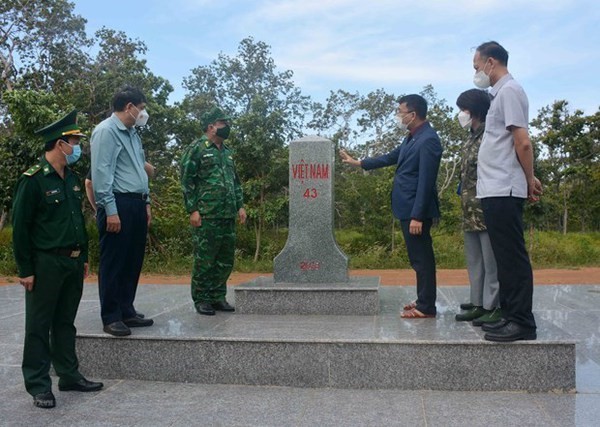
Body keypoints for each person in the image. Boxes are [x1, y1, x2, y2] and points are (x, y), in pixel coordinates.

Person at [12, 110, 103, 409]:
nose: (77, 147)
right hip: (46, 263)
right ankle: (39, 384)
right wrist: (26, 269)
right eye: (74, 141)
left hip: (73, 262)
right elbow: (21, 228)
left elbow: (78, 220)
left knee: (65, 322)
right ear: (59, 143)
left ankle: (69, 375)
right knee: (39, 325)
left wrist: (85, 256)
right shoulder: (34, 180)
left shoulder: (72, 179)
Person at [340, 94, 443, 318]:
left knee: (422, 258)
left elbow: (426, 181)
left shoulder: (428, 139)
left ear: (413, 114)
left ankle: (426, 307)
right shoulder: (412, 137)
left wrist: (418, 215)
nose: (398, 116)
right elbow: (391, 157)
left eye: (400, 112)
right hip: (407, 208)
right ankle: (423, 298)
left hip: (416, 211)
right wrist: (359, 163)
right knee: (418, 258)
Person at [472, 41, 542, 342]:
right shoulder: (497, 94)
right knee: (503, 257)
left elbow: (522, 142)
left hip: (505, 187)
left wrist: (529, 179)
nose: (476, 73)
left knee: (512, 257)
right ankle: (510, 314)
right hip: (493, 188)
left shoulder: (510, 91)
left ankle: (523, 322)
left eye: (476, 67)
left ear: (491, 62)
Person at [90, 86, 154, 336]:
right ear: (129, 107)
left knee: (132, 260)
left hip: (136, 202)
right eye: (142, 108)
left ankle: (127, 309)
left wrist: (146, 202)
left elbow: (139, 170)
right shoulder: (106, 131)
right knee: (114, 261)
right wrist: (110, 210)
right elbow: (101, 174)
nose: (142, 113)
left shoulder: (132, 133)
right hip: (117, 203)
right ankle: (111, 316)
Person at [180, 106, 246, 315]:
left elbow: (234, 182)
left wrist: (240, 205)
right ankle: (202, 298)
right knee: (205, 259)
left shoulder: (227, 152)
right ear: (211, 127)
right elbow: (187, 180)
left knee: (225, 259)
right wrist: (193, 209)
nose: (227, 127)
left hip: (227, 213)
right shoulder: (197, 148)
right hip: (207, 213)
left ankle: (218, 296)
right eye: (223, 124)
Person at [453, 89, 501, 325]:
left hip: (486, 207)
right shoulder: (471, 136)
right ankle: (478, 302)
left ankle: (493, 306)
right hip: (469, 209)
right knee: (475, 260)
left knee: (491, 261)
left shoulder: (490, 135)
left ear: (475, 110)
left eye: (463, 109)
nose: (460, 114)